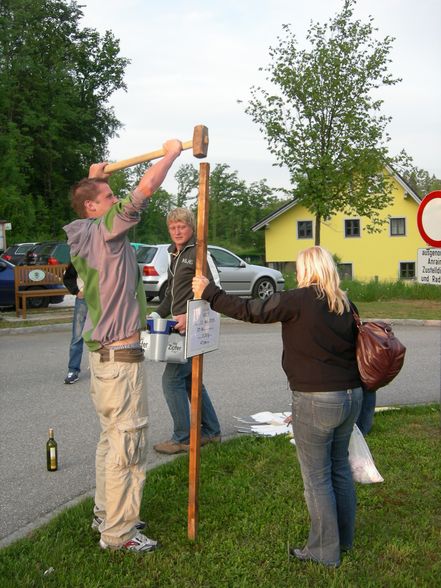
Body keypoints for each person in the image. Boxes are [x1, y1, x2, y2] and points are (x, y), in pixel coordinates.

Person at [193, 246, 363, 568]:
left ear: (308, 270)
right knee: (339, 467)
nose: (295, 274)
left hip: (316, 399)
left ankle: (324, 551)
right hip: (351, 396)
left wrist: (210, 292)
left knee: (317, 477)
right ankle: (344, 538)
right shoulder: (345, 304)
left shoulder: (298, 300)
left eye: (298, 268)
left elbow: (250, 310)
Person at [63, 139, 182, 553]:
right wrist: (170, 153)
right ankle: (119, 534)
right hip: (119, 356)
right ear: (94, 208)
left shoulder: (83, 234)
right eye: (108, 197)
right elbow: (144, 190)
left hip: (102, 357)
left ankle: (106, 513)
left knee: (111, 439)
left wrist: (96, 178)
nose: (116, 202)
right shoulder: (105, 231)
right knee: (128, 444)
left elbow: (93, 198)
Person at [152, 207, 222, 455]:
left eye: (181, 226)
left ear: (192, 228)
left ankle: (182, 437)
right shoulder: (175, 254)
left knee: (171, 381)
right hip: (178, 328)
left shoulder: (200, 253)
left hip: (194, 329)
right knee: (191, 379)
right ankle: (211, 432)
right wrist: (156, 314)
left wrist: (189, 315)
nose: (177, 231)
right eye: (172, 227)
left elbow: (216, 291)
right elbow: (171, 293)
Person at [63, 262, 87, 384]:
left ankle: (103, 367)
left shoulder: (104, 253)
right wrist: (76, 291)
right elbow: (68, 278)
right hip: (84, 300)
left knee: (104, 335)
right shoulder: (78, 257)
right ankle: (73, 370)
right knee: (77, 336)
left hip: (102, 300)